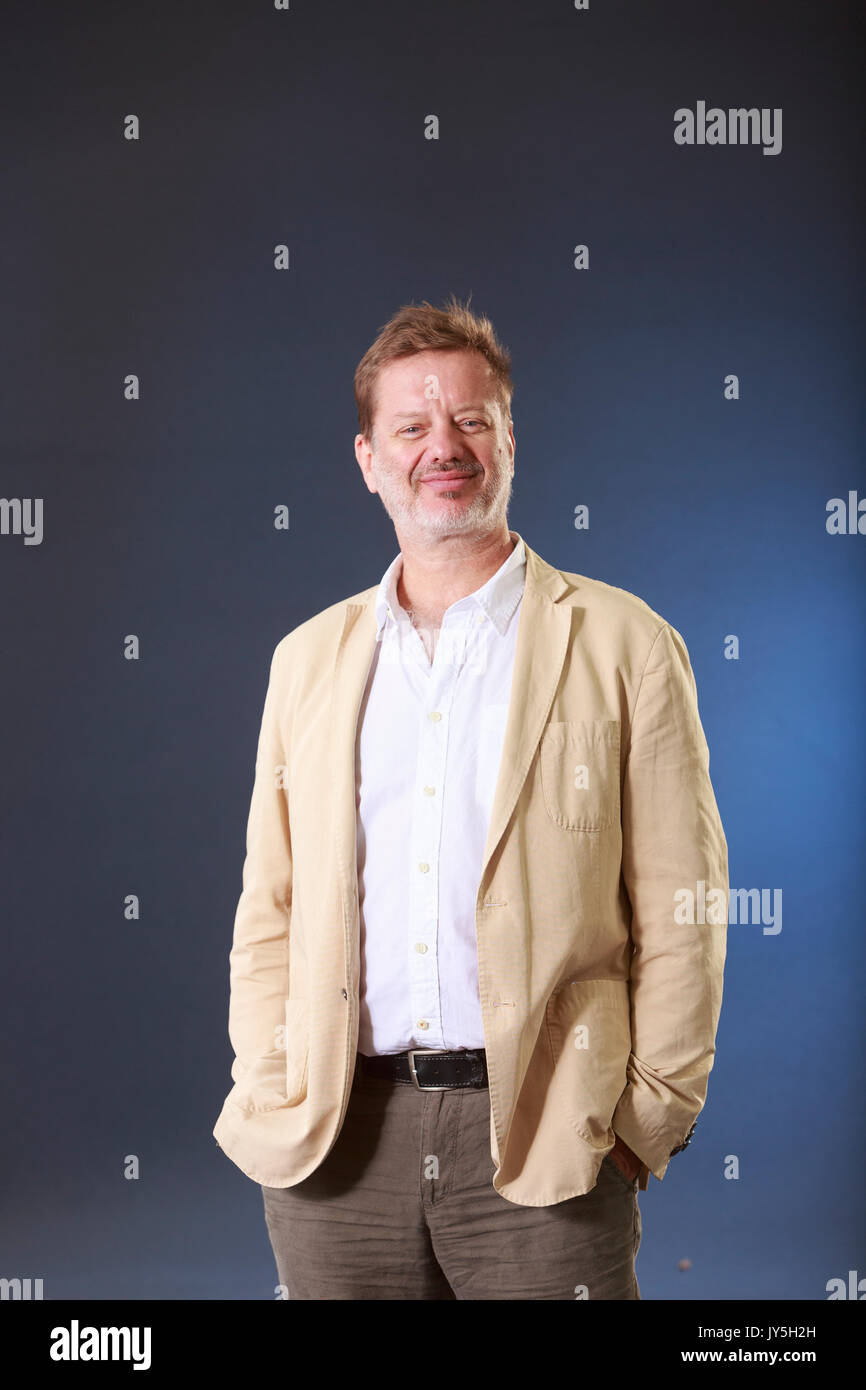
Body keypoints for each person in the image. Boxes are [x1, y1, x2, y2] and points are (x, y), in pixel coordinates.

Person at [213, 295, 729, 1300]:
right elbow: (267, 908)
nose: (440, 447)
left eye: (469, 420)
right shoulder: (307, 661)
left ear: (505, 440)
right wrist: (267, 1078)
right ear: (368, 458)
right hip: (334, 1144)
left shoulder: (626, 646)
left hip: (549, 1136)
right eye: (410, 426)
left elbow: (684, 907)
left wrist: (643, 1121)